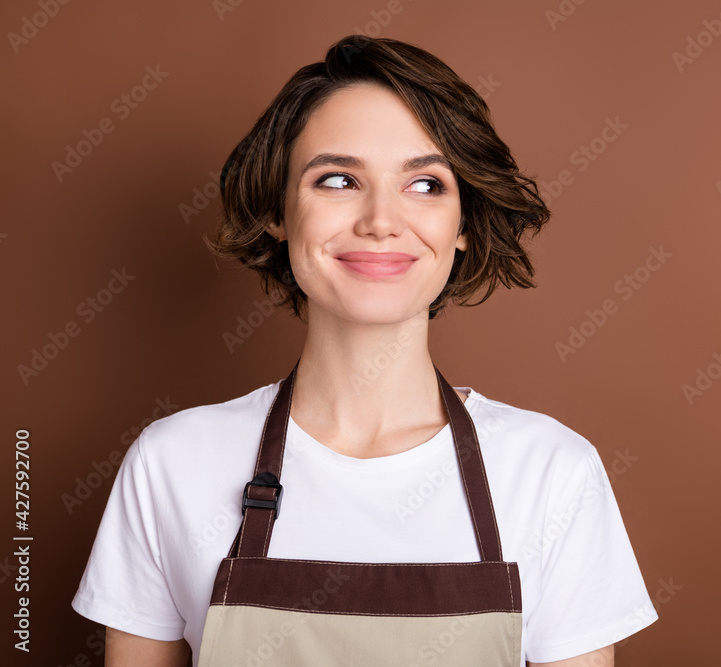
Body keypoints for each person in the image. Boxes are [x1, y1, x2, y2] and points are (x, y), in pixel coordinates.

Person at [71, 34, 658, 666]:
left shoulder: (551, 474)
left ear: (461, 225)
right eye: (339, 179)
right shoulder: (172, 465)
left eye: (426, 184)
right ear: (278, 210)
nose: (381, 219)